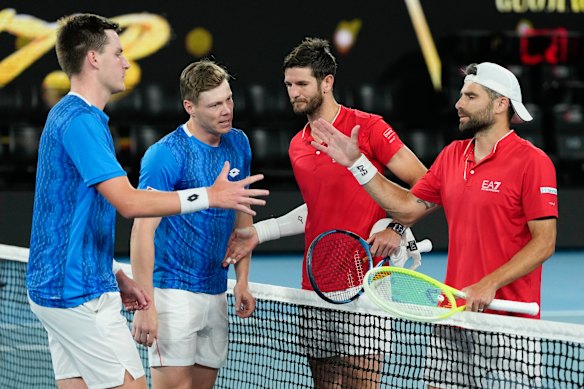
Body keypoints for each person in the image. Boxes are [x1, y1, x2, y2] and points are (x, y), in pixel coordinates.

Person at [25, 14, 268, 389]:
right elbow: (130, 204)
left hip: (78, 283)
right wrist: (210, 196)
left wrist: (115, 274)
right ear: (93, 59)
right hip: (72, 292)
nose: (125, 62)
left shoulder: (78, 118)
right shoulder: (80, 122)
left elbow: (71, 214)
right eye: (118, 53)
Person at [310, 62, 558, 387]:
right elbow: (407, 209)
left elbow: (545, 242)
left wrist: (489, 283)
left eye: (471, 96)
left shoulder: (533, 162)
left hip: (512, 322)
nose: (459, 103)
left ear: (501, 104)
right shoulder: (452, 156)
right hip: (454, 312)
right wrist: (358, 164)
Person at [225, 37, 427, 388]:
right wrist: (262, 231)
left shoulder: (370, 128)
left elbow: (427, 186)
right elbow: (317, 208)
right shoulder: (297, 145)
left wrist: (396, 227)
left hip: (367, 288)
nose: (293, 93)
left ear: (327, 82)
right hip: (314, 286)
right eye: (289, 85)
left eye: (302, 84)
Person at [129, 59, 257, 389]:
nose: (227, 109)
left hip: (216, 291)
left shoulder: (238, 142)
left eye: (229, 99)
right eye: (215, 104)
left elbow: (242, 210)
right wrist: (147, 305)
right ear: (190, 107)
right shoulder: (166, 154)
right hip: (172, 293)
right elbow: (143, 229)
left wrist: (242, 279)